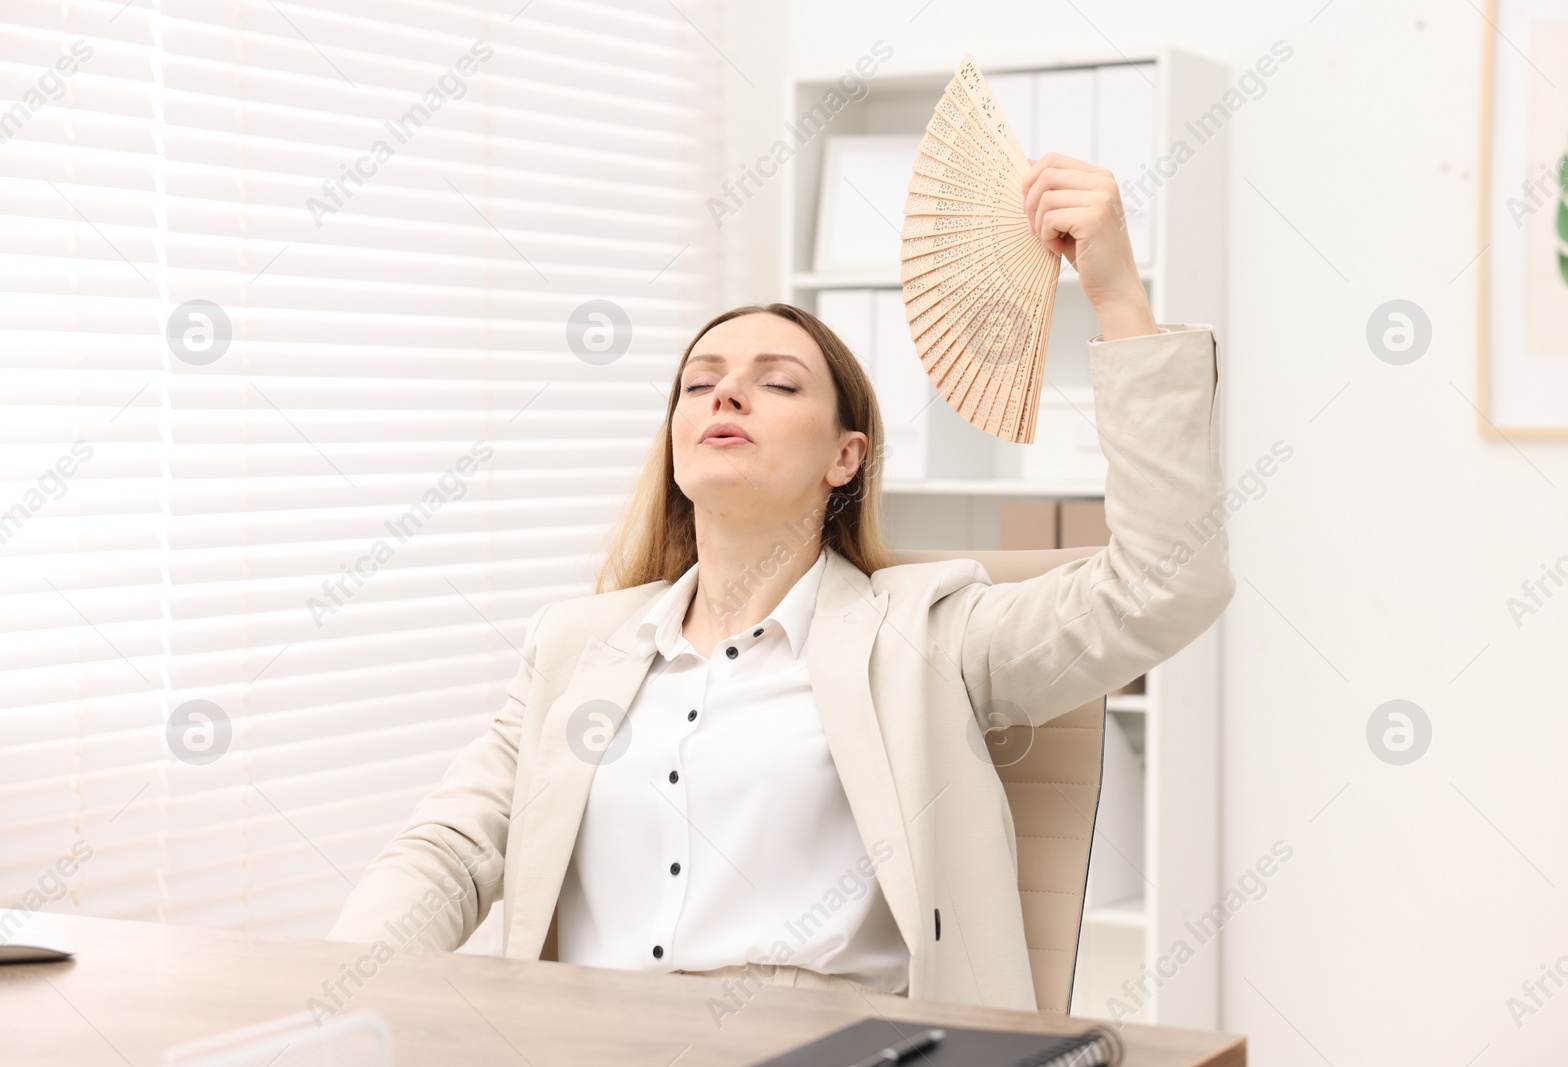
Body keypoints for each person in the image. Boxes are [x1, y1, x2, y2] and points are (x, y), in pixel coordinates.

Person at [326, 153, 1234, 1012]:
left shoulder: (928, 637)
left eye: (776, 383)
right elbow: (450, 851)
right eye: (701, 382)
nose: (724, 396)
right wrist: (336, 995)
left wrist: (1116, 295)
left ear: (846, 456)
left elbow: (1164, 583)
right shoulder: (573, 647)